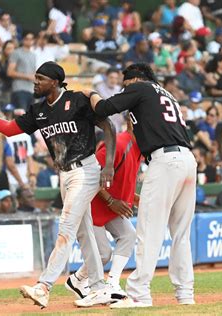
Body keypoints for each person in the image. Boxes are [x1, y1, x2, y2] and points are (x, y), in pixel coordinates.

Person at [0, 61, 116, 308]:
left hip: (86, 169)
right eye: (35, 78)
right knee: (83, 232)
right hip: (65, 175)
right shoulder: (38, 111)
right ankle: (99, 287)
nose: (34, 82)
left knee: (66, 228)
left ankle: (44, 287)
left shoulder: (77, 100)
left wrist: (108, 164)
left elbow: (108, 126)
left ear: (55, 82)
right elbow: (7, 128)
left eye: (40, 79)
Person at [85, 63, 197, 308]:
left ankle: (138, 293)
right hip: (187, 160)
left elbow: (104, 108)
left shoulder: (143, 88)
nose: (126, 90)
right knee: (181, 234)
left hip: (165, 159)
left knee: (149, 230)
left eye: (127, 85)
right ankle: (185, 293)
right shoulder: (166, 94)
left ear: (137, 79)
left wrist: (90, 93)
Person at [65, 114, 141, 300]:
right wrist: (111, 201)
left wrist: (134, 198)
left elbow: (121, 179)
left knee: (129, 235)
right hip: (92, 204)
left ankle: (111, 283)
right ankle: (78, 280)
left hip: (110, 205)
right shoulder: (120, 143)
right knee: (103, 254)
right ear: (132, 123)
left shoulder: (139, 148)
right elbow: (89, 175)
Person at [7, 31, 37, 110]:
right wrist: (27, 76)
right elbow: (10, 72)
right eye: (27, 39)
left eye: (31, 39)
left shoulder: (33, 55)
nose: (29, 41)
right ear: (23, 40)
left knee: (30, 118)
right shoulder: (16, 53)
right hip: (19, 89)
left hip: (31, 90)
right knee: (21, 116)